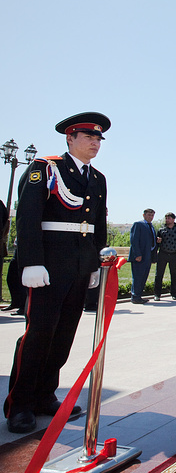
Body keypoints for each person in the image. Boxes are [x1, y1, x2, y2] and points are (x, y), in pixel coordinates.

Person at [5, 112, 109, 433]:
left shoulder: (97, 178)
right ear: (70, 138)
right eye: (89, 137)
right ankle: (19, 404)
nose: (95, 143)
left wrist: (94, 265)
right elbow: (28, 217)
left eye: (98, 139)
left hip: (79, 265)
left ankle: (45, 395)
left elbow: (97, 227)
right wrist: (31, 261)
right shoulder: (45, 168)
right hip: (48, 265)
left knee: (64, 333)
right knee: (39, 333)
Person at [154, 212, 176, 301]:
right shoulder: (161, 230)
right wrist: (157, 242)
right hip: (163, 253)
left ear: (173, 219)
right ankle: (157, 294)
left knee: (174, 274)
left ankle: (174, 293)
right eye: (166, 218)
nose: (167, 220)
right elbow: (156, 243)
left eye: (169, 218)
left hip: (174, 254)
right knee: (159, 275)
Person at [129, 208, 156, 303]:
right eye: (149, 215)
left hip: (148, 255)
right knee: (138, 276)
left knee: (144, 276)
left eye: (152, 215)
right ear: (144, 215)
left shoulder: (151, 226)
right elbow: (134, 240)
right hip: (140, 256)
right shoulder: (138, 224)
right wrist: (137, 254)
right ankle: (135, 296)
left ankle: (139, 295)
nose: (151, 217)